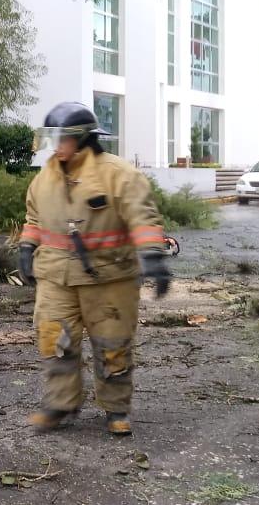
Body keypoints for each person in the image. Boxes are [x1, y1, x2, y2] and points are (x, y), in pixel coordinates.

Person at [18, 102, 170, 436]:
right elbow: (34, 218)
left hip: (110, 277)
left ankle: (116, 409)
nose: (56, 146)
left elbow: (143, 218)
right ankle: (60, 404)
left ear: (84, 138)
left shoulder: (119, 175)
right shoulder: (44, 178)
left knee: (112, 344)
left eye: (62, 139)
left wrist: (153, 257)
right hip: (56, 278)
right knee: (54, 340)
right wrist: (27, 246)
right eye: (52, 139)